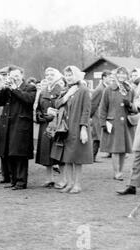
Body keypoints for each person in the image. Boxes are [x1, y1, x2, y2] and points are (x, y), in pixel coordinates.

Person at [0, 66, 36, 190]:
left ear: (22, 75)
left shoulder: (30, 87)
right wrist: (3, 89)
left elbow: (28, 100)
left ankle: (21, 182)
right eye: (12, 76)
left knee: (20, 155)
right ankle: (13, 180)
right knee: (9, 153)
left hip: (21, 126)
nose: (14, 78)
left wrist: (15, 89)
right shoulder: (8, 88)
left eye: (17, 76)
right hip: (8, 125)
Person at [54, 66, 93, 194]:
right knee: (67, 158)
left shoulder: (83, 90)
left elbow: (86, 111)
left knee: (77, 158)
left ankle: (77, 184)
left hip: (77, 127)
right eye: (66, 75)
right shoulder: (66, 89)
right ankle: (69, 183)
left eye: (70, 75)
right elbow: (57, 104)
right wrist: (67, 95)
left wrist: (83, 128)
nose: (68, 77)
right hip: (65, 128)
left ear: (76, 75)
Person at [99, 67, 137, 181]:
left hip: (126, 123)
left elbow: (135, 108)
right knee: (115, 149)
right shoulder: (109, 89)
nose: (122, 76)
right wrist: (102, 123)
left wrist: (130, 105)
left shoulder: (130, 89)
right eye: (119, 74)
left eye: (124, 74)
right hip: (113, 123)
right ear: (116, 75)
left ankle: (120, 171)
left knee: (123, 149)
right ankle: (116, 173)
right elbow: (103, 107)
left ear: (127, 76)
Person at [35, 67, 65, 188]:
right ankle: (49, 179)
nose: (49, 76)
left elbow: (63, 108)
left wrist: (53, 116)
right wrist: (40, 117)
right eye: (47, 74)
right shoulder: (43, 91)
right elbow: (38, 108)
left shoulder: (61, 90)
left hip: (57, 126)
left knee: (59, 152)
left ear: (57, 76)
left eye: (52, 74)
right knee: (46, 152)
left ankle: (63, 179)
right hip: (44, 125)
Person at [90, 70, 112, 162]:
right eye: (109, 77)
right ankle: (92, 157)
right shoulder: (99, 89)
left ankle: (110, 153)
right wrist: (90, 116)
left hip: (104, 116)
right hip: (98, 117)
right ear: (104, 77)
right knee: (97, 138)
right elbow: (93, 104)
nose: (111, 79)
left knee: (104, 135)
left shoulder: (107, 88)